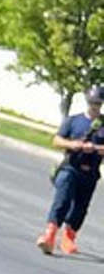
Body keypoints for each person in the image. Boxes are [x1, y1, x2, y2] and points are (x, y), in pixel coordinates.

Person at [39, 84, 104, 255]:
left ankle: (69, 238)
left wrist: (96, 148)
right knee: (62, 200)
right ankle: (49, 236)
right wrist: (73, 144)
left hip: (90, 172)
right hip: (71, 168)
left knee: (80, 207)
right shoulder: (73, 120)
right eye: (92, 102)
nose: (95, 106)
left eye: (98, 102)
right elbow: (57, 140)